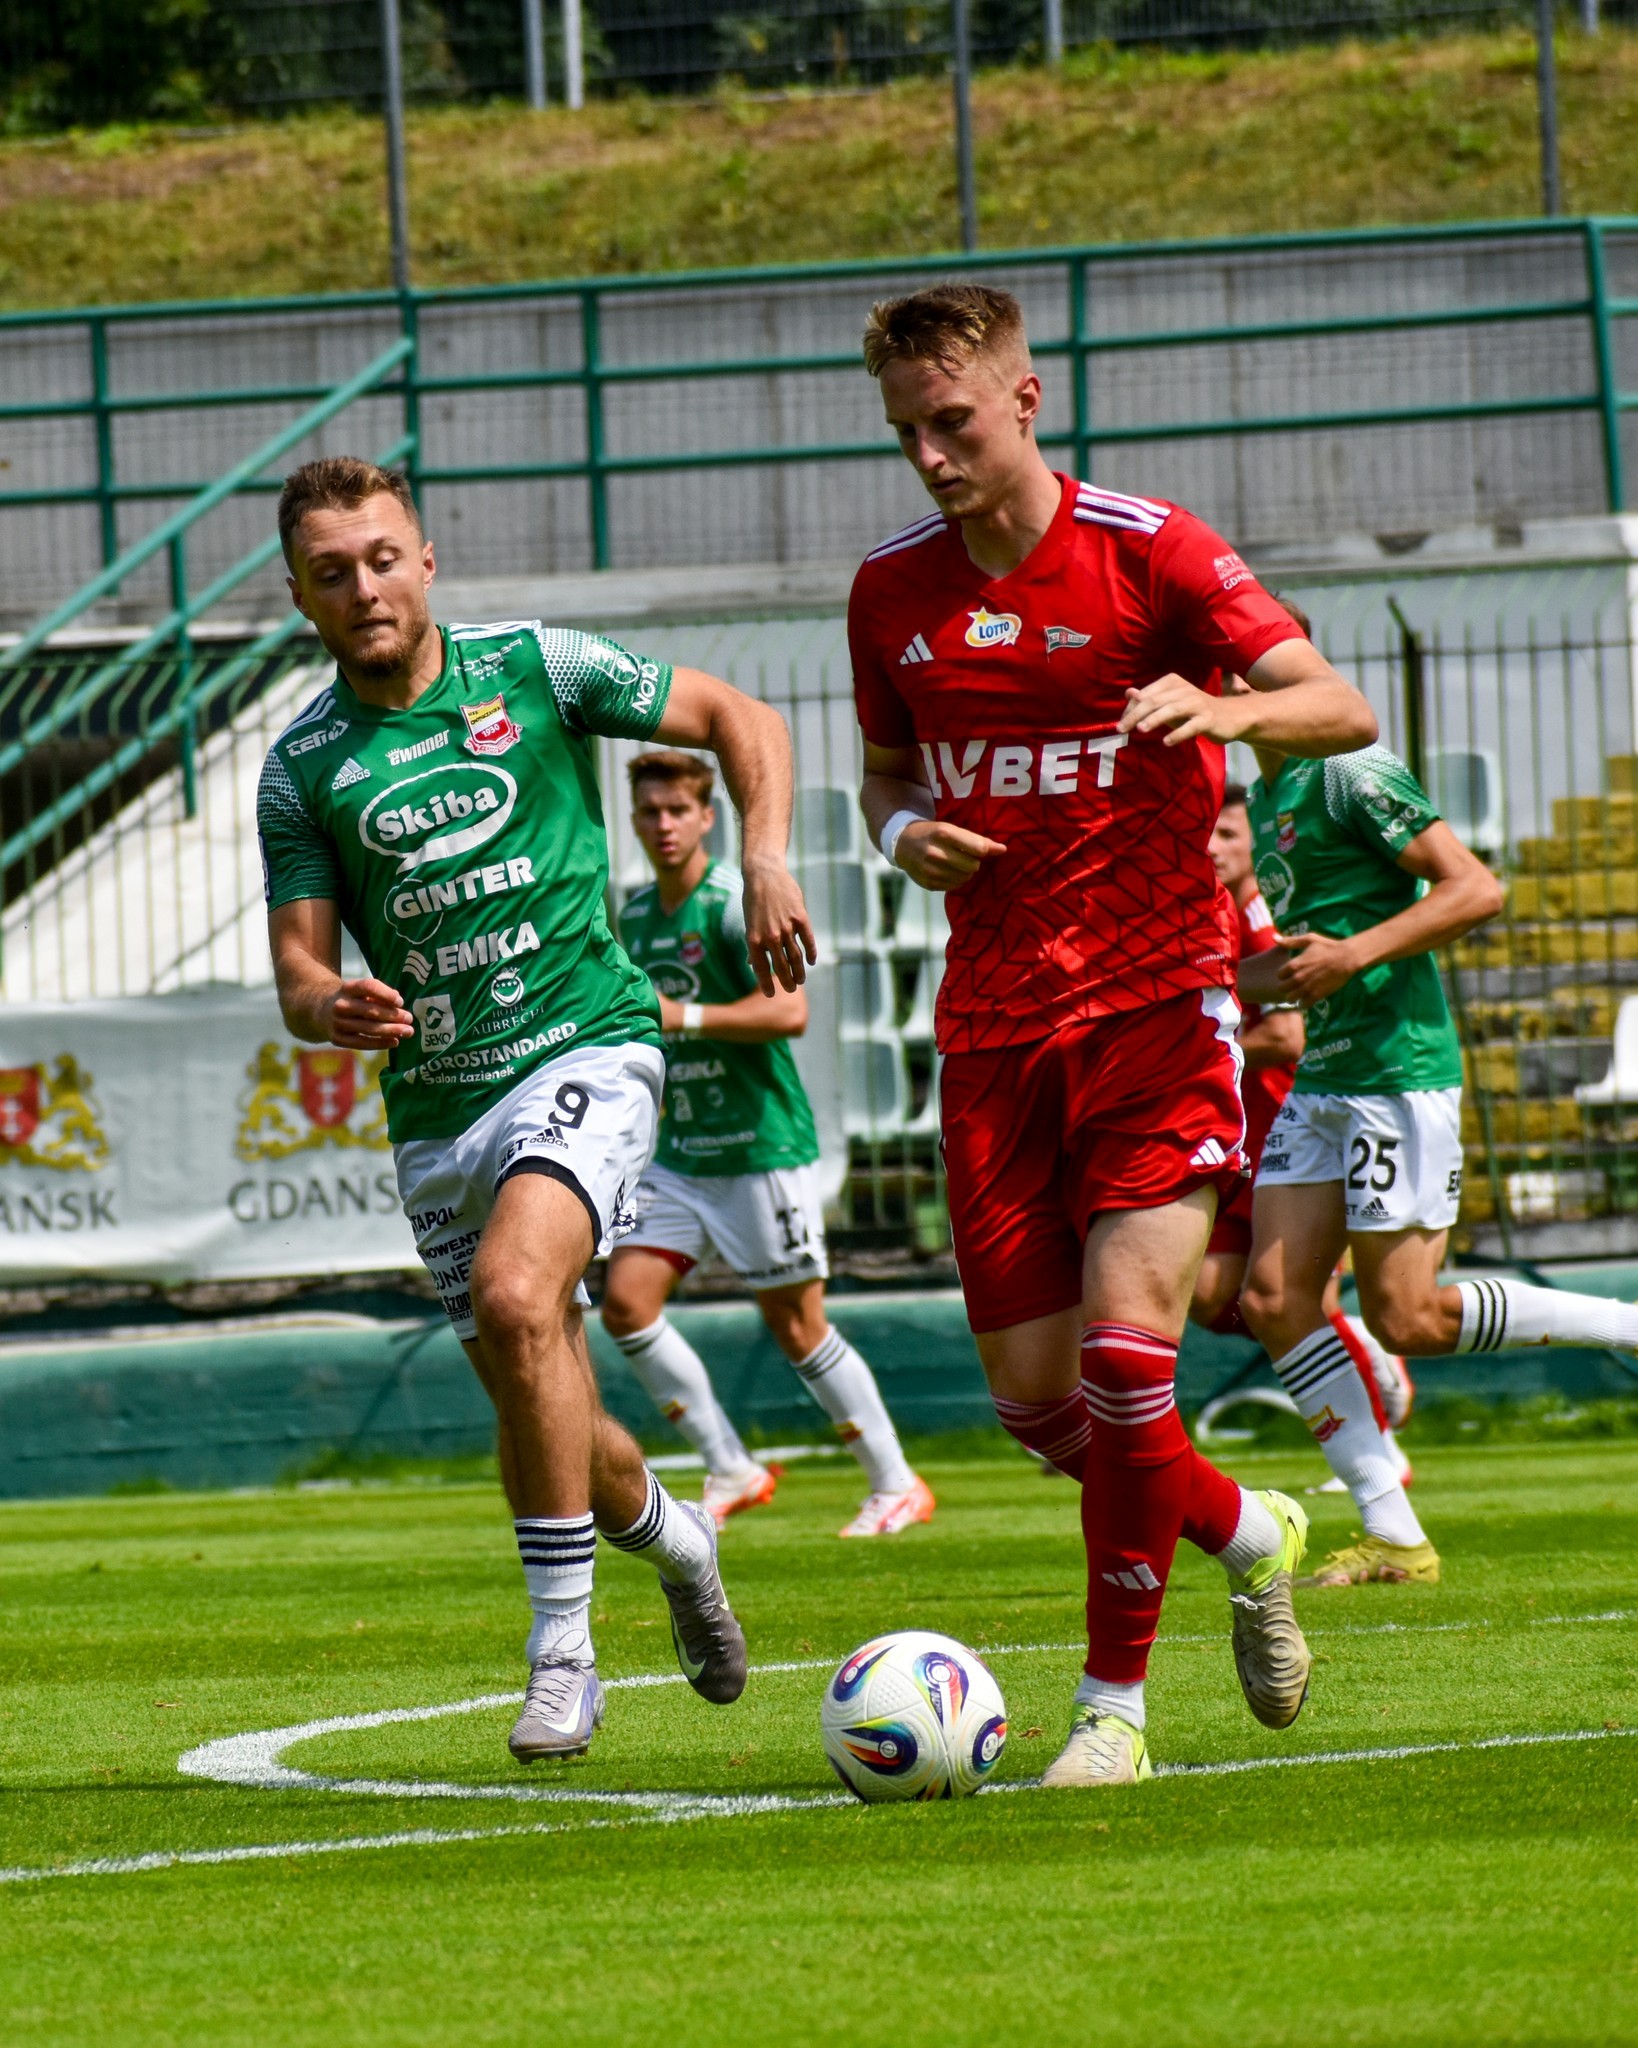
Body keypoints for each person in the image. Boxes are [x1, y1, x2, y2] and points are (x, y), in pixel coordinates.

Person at [848, 282, 1380, 1789]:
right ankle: (1245, 1525)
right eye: (905, 432)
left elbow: (1337, 704)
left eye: (952, 421)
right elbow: (885, 772)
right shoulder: (889, 592)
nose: (930, 456)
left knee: (1127, 1371)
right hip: (991, 1027)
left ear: (1025, 399)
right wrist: (899, 836)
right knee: (1038, 1406)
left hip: (1158, 1004)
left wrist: (1227, 714)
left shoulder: (1155, 552)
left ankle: (1111, 1713)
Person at [257, 456, 816, 1764]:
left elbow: (738, 715)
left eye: (382, 558)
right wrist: (327, 1000)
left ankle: (563, 1654)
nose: (364, 587)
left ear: (426, 560)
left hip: (585, 1044)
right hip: (435, 1110)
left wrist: (763, 855)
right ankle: (679, 1542)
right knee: (539, 1398)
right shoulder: (300, 769)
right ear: (300, 596)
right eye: (332, 572)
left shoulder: (534, 667)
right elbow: (296, 972)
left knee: (519, 1299)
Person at [1238, 673, 1638, 1585]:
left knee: (1407, 1318)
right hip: (1326, 1076)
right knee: (1273, 1298)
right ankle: (1393, 1534)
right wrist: (1202, 981)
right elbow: (1297, 963)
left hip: (1396, 1074)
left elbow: (1476, 889)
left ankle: (1628, 1324)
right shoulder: (1266, 796)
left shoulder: (1349, 768)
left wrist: (1352, 955)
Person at [601, 750, 934, 1537]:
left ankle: (896, 1482)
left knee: (796, 1325)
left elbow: (789, 1012)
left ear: (706, 817)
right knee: (625, 1307)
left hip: (759, 1150)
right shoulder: (637, 917)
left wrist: (683, 1017)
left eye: (677, 810)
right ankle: (731, 1467)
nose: (663, 825)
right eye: (649, 812)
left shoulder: (730, 905)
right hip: (680, 1156)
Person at [1190, 774, 1417, 1479]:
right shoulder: (1214, 911)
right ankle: (1353, 1345)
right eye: (1205, 831)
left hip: (1297, 1128)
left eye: (1229, 833)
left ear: (1255, 845)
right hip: (1239, 1133)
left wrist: (1187, 1051)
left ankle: (1380, 1454)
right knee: (1210, 1295)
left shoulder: (1261, 917)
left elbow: (1286, 1036)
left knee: (1296, 1298)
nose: (1213, 846)